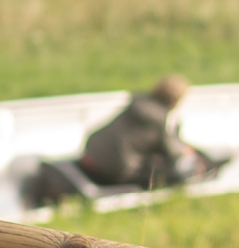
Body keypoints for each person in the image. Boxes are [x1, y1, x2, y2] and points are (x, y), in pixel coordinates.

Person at [76, 74, 209, 189]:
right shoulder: (158, 121)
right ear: (175, 100)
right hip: (112, 170)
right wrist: (187, 152)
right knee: (175, 171)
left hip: (90, 153)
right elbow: (172, 151)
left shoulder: (137, 104)